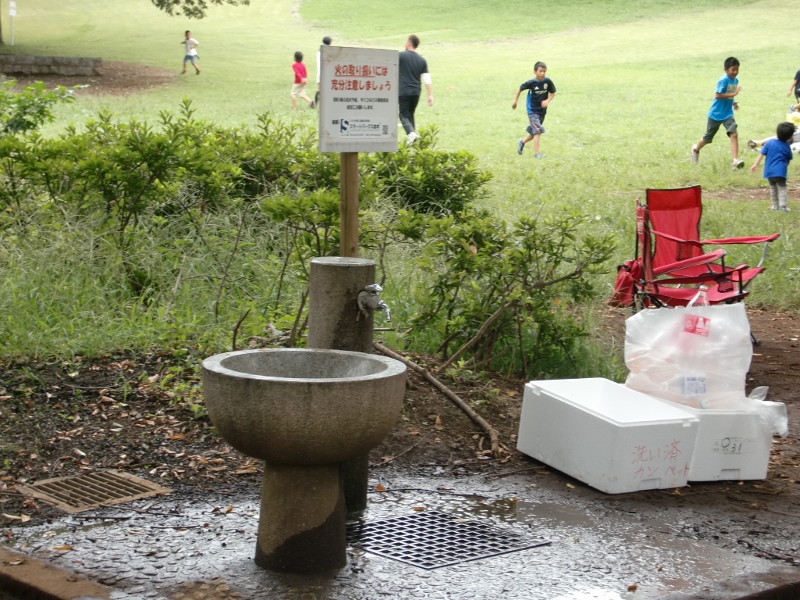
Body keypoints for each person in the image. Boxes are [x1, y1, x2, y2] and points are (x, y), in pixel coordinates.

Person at [691, 57, 744, 169]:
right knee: (707, 138)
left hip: (728, 113)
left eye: (737, 69)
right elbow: (717, 95)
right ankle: (696, 150)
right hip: (715, 114)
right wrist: (733, 94)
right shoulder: (723, 80)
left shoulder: (735, 80)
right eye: (732, 70)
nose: (735, 72)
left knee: (734, 134)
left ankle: (735, 161)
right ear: (726, 69)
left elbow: (729, 94)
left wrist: (733, 102)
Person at [512, 61, 556, 158]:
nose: (543, 73)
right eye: (540, 71)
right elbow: (520, 88)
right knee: (538, 130)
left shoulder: (547, 81)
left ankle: (522, 142)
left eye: (544, 71)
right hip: (532, 111)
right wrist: (515, 101)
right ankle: (537, 154)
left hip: (542, 112)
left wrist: (547, 101)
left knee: (534, 132)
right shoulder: (531, 83)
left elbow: (553, 92)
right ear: (535, 72)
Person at [750, 121, 794, 211]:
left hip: (769, 171)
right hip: (780, 171)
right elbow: (788, 159)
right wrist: (785, 165)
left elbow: (761, 154)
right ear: (790, 136)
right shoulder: (786, 146)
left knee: (773, 188)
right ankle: (783, 206)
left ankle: (774, 206)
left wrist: (755, 164)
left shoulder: (769, 143)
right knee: (782, 188)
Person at [398, 34, 433, 145]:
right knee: (410, 114)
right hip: (416, 91)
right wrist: (430, 95)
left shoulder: (401, 56)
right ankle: (413, 139)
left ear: (409, 44)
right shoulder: (422, 60)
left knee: (403, 114)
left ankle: (411, 134)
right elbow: (427, 78)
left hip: (403, 91)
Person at [315, 36, 332, 106]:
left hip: (320, 73)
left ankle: (315, 104)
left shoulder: (319, 51)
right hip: (325, 72)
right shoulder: (327, 52)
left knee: (319, 89)